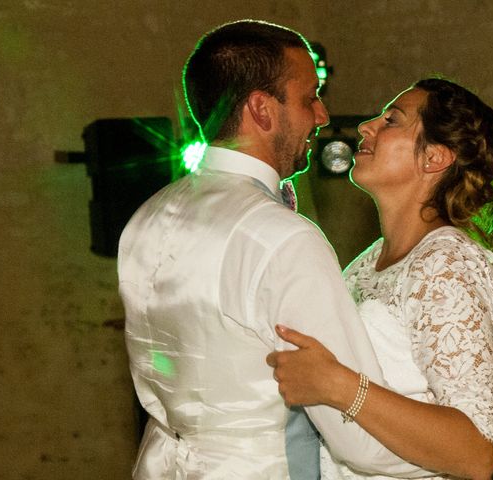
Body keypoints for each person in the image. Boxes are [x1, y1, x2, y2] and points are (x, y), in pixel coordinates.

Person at [118, 20, 438, 479]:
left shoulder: (147, 216)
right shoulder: (282, 239)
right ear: (262, 110)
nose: (323, 116)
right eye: (310, 98)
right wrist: (463, 443)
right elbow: (360, 438)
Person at [267, 77, 493, 480]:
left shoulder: (447, 264)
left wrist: (338, 385)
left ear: (434, 157)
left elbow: (476, 452)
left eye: (391, 121)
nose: (366, 127)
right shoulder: (367, 263)